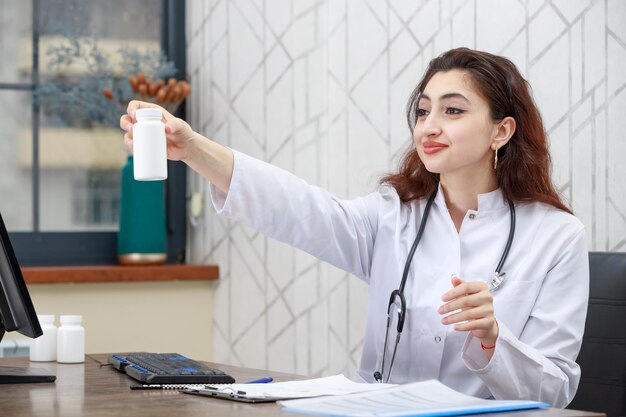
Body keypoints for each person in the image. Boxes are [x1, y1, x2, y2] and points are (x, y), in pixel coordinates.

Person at [120, 47, 589, 407]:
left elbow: (556, 391)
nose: (428, 126)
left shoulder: (555, 237)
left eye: (453, 110)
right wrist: (192, 147)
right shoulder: (395, 214)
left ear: (501, 131)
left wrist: (492, 339)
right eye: (423, 111)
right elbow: (300, 209)